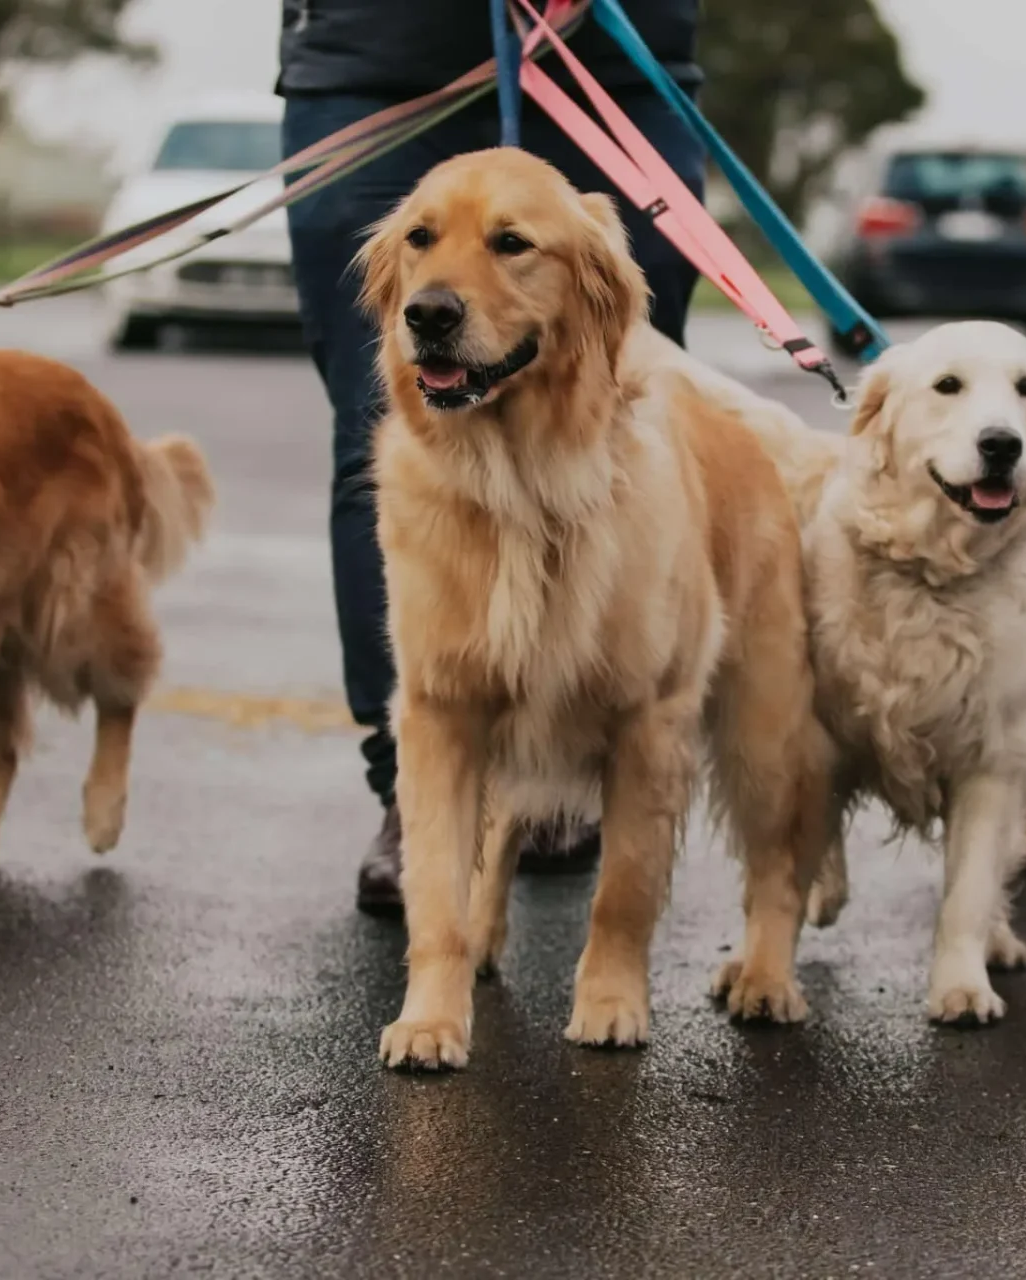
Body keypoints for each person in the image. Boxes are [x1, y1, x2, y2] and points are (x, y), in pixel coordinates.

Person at [278, 1, 707, 915]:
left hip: (612, 57)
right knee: (393, 433)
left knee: (625, 416)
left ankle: (575, 762)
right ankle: (421, 793)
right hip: (376, 64)